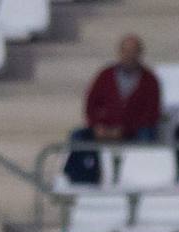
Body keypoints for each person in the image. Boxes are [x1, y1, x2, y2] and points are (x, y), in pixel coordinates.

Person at [67, 34, 162, 183]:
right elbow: (91, 104)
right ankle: (82, 177)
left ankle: (140, 180)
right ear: (119, 52)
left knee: (147, 136)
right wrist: (98, 126)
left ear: (140, 54)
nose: (129, 56)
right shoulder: (105, 75)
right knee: (78, 136)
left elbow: (151, 113)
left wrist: (124, 129)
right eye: (126, 51)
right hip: (104, 128)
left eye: (133, 51)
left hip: (133, 131)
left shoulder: (150, 80)